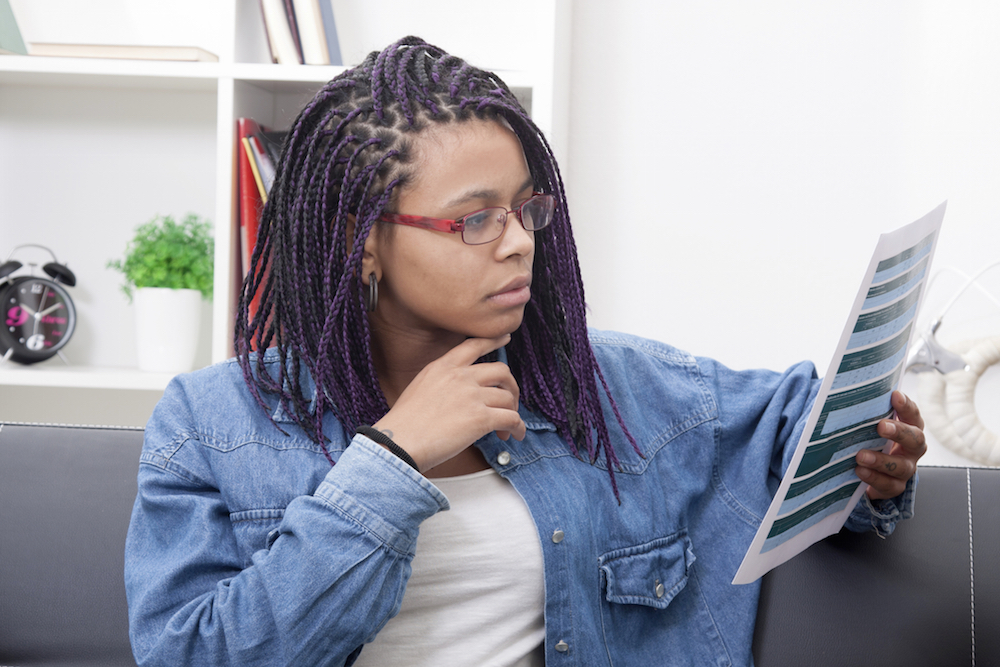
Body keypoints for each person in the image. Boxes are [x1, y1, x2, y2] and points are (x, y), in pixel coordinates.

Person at [124, 36, 926, 666]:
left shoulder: (611, 386)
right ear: (361, 244)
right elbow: (195, 653)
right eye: (474, 218)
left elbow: (799, 422)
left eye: (525, 208)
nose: (518, 244)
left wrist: (874, 462)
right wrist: (392, 460)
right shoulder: (212, 423)